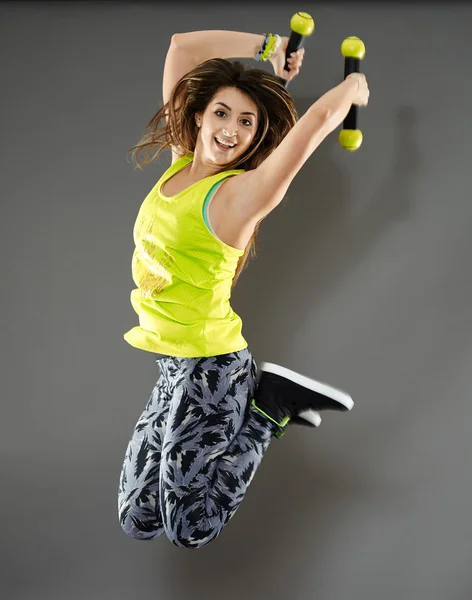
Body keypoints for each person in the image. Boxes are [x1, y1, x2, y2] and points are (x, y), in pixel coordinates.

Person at [118, 29, 370, 549]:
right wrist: (269, 46)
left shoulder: (238, 199)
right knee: (138, 518)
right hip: (171, 367)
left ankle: (267, 410)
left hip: (212, 372)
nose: (231, 129)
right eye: (222, 113)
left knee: (190, 529)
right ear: (198, 116)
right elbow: (181, 49)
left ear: (257, 139)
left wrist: (350, 93)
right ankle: (267, 403)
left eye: (247, 122)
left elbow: (317, 123)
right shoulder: (181, 164)